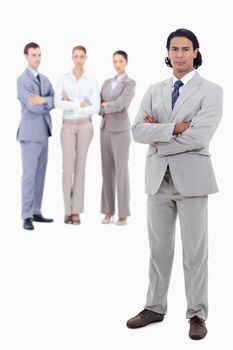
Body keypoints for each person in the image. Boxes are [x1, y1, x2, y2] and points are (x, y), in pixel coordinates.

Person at [126, 29, 223, 340]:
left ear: (195, 52)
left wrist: (160, 137)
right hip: (157, 181)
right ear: (167, 52)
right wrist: (176, 128)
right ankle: (155, 307)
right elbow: (138, 130)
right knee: (158, 251)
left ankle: (197, 314)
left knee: (195, 253)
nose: (179, 54)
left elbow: (200, 136)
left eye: (185, 49)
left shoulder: (211, 90)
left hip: (193, 181)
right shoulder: (155, 90)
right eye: (174, 48)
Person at [55, 46, 100, 225]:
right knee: (67, 169)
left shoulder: (92, 80)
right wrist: (81, 103)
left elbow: (95, 108)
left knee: (80, 168)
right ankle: (67, 209)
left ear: (86, 58)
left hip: (85, 126)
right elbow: (58, 102)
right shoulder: (63, 78)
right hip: (67, 125)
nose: (79, 59)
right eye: (76, 56)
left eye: (82, 56)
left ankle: (76, 211)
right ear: (72, 57)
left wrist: (70, 102)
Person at [17, 42, 54, 231]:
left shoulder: (45, 79)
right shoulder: (22, 80)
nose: (37, 58)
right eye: (33, 55)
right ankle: (26, 215)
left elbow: (55, 100)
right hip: (30, 134)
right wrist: (45, 102)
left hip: (44, 133)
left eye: (39, 55)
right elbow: (32, 105)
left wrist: (44, 100)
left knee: (40, 175)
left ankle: (36, 210)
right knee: (29, 176)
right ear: (26, 56)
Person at [100, 50, 136, 225]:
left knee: (121, 172)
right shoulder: (107, 82)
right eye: (115, 61)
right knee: (106, 171)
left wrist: (107, 105)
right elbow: (98, 105)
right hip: (105, 128)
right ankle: (107, 212)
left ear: (126, 62)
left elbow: (123, 103)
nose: (117, 64)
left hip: (121, 130)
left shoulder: (130, 83)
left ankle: (123, 213)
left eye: (120, 61)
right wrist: (107, 106)